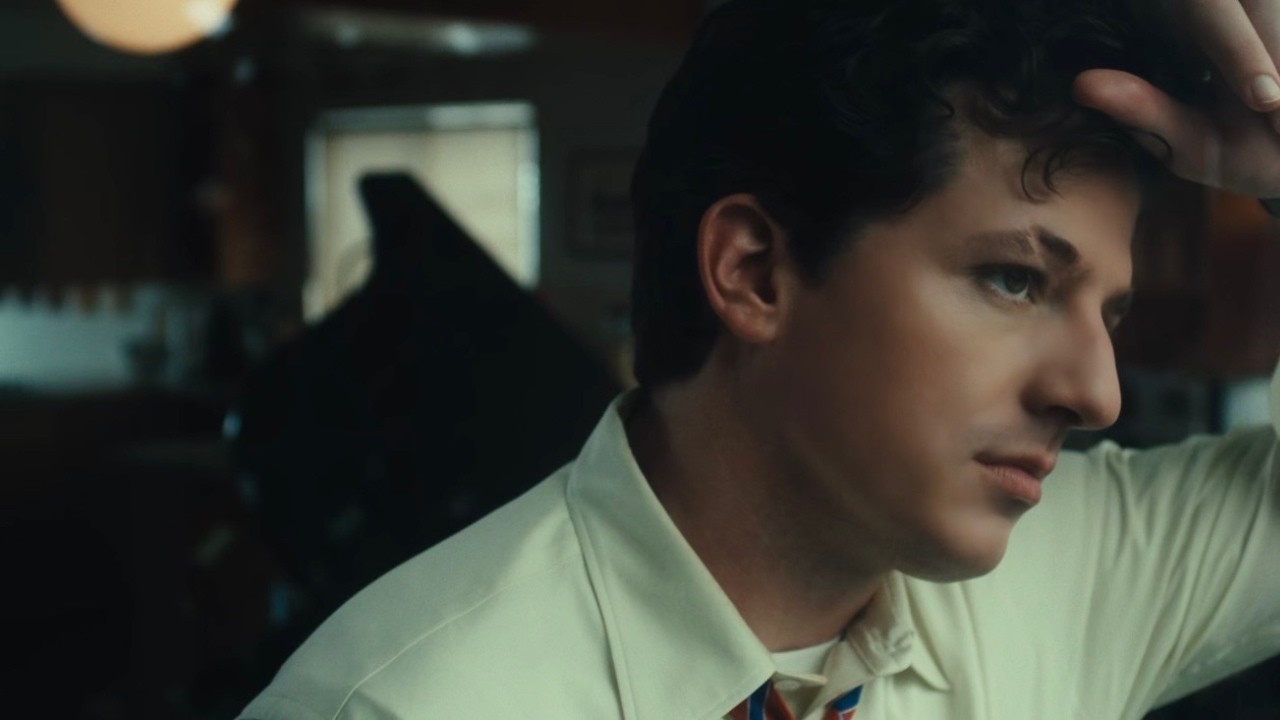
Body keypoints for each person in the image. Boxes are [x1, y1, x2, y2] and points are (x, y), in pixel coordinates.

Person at [239, 0, 1280, 717]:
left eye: (1108, 314)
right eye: (1014, 279)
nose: (1095, 392)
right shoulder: (398, 705)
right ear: (754, 273)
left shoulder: (1070, 575)